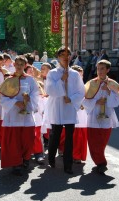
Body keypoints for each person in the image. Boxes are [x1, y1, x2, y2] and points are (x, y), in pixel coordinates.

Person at [0, 55, 39, 176]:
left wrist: (29, 99)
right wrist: (15, 102)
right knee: (14, 141)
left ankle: (26, 158)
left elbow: (35, 94)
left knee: (27, 140)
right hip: (13, 115)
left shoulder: (30, 80)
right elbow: (2, 98)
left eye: (21, 64)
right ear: (14, 65)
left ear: (25, 66)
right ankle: (16, 163)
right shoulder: (8, 80)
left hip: (27, 115)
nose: (19, 66)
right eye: (17, 64)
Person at [45, 46, 85, 174]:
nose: (65, 57)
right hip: (57, 107)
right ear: (58, 57)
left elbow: (81, 91)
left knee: (69, 137)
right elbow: (49, 90)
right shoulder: (52, 73)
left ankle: (68, 165)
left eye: (68, 55)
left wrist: (72, 99)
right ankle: (51, 158)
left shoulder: (74, 74)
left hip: (69, 108)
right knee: (55, 135)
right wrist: (62, 80)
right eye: (62, 55)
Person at [83, 59, 119, 174]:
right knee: (92, 141)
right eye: (98, 68)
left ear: (107, 70)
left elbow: (116, 102)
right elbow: (84, 100)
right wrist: (95, 102)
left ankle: (101, 162)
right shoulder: (91, 83)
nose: (99, 71)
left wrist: (110, 91)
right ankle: (100, 162)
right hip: (93, 116)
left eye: (102, 69)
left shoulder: (113, 84)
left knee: (102, 142)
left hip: (107, 117)